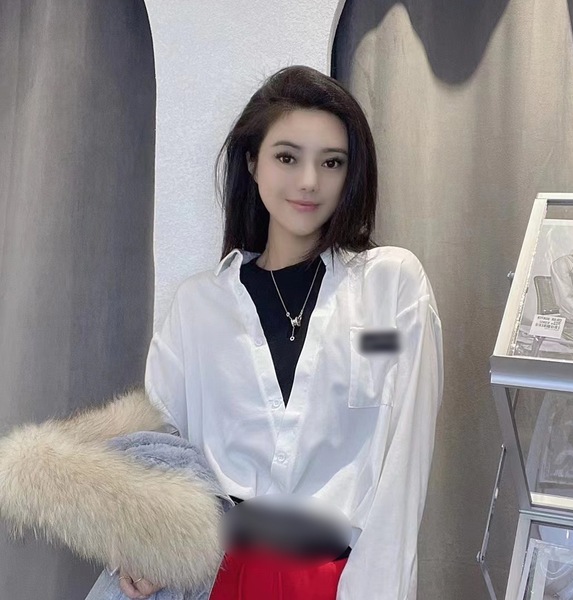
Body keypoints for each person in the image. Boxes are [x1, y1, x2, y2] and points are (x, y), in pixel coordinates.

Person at [119, 65, 443, 600]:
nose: (309, 181)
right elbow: (161, 439)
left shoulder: (390, 289)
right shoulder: (199, 307)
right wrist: (150, 543)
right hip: (215, 577)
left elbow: (404, 467)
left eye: (332, 162)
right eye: (287, 157)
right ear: (253, 162)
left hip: (336, 579)